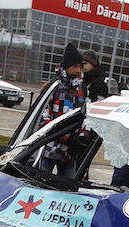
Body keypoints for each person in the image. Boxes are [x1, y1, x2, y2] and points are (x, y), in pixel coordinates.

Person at [38, 43, 89, 178]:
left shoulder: (82, 89)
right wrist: (67, 138)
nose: (78, 70)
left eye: (80, 67)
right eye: (75, 66)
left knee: (67, 191)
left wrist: (82, 137)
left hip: (70, 154)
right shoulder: (52, 87)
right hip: (49, 149)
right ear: (66, 67)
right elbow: (43, 119)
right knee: (40, 186)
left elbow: (86, 116)